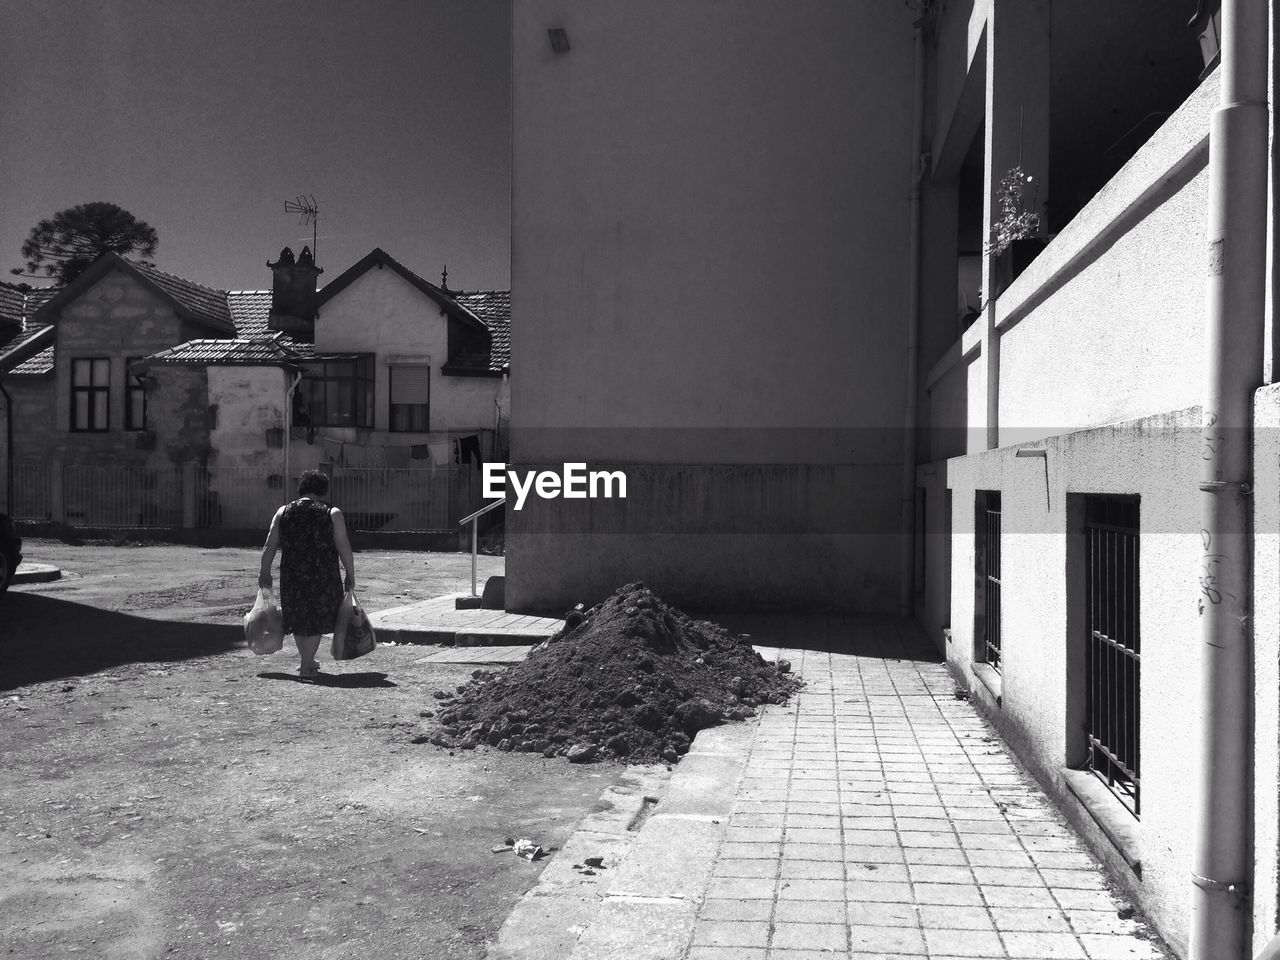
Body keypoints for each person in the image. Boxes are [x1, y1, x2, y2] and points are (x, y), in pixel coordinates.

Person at [258, 470, 355, 679]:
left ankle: (308, 661)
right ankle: (306, 666)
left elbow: (270, 544)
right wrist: (350, 573)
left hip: (292, 575)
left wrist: (264, 571)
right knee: (316, 619)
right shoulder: (332, 513)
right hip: (323, 575)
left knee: (300, 618)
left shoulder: (283, 512)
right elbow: (343, 546)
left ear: (300, 488)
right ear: (323, 490)